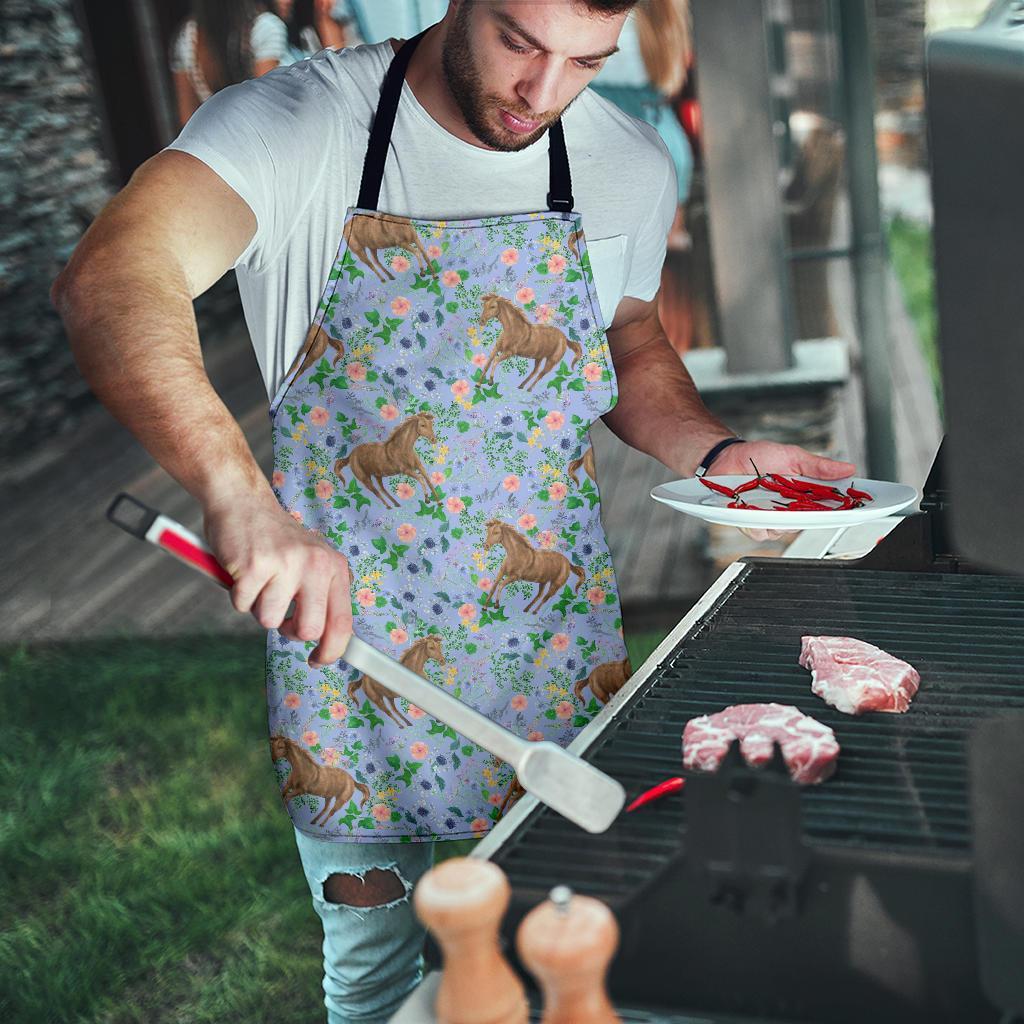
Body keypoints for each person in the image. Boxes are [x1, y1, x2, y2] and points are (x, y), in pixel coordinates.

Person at [53, 2, 856, 1020]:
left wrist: (718, 449)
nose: (543, 93)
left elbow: (627, 333)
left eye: (585, 62)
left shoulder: (623, 160)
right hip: (345, 649)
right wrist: (239, 498)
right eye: (521, 42)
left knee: (558, 950)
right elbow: (113, 274)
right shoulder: (300, 125)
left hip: (546, 640)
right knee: (378, 974)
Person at [170, 0, 289, 128]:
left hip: (217, 141)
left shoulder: (187, 36)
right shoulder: (265, 27)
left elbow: (187, 119)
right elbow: (268, 107)